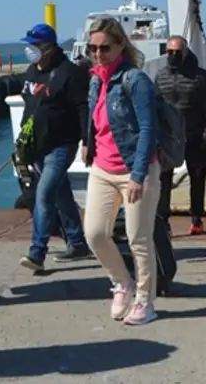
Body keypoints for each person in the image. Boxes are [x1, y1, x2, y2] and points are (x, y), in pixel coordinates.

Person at [80, 17, 161, 326]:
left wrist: (139, 175)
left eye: (105, 48)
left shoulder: (135, 79)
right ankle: (122, 283)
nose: (98, 54)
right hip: (102, 167)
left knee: (138, 238)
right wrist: (88, 143)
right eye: (92, 48)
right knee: (95, 233)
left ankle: (145, 301)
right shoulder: (95, 79)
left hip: (134, 167)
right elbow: (94, 117)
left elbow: (148, 129)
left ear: (120, 47)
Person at [17, 23, 93, 272]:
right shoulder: (32, 71)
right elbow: (29, 101)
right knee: (62, 195)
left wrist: (86, 141)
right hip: (36, 145)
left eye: (36, 45)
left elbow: (83, 109)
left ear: (49, 46)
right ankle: (77, 242)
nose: (31, 50)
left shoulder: (70, 73)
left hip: (61, 145)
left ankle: (37, 252)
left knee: (44, 195)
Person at [155, 36, 206, 234]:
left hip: (195, 134)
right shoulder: (161, 76)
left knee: (197, 177)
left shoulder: (200, 76)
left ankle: (197, 217)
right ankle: (163, 220)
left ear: (185, 52)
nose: (173, 55)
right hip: (168, 137)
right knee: (163, 180)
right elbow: (155, 106)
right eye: (169, 52)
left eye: (177, 52)